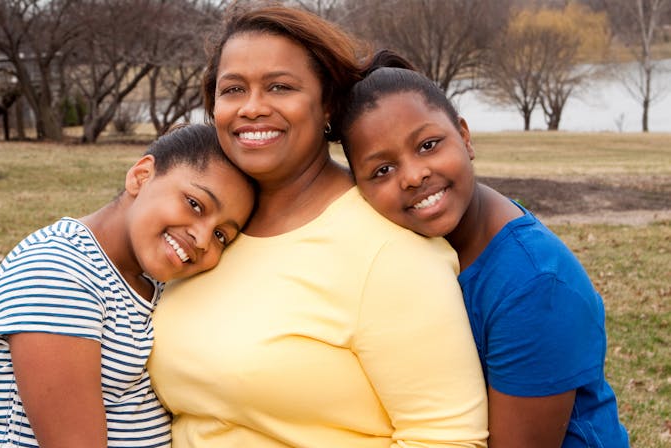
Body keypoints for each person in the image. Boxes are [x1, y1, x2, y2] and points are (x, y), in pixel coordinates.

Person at [147, 5, 488, 448]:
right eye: (233, 89)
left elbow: (448, 438)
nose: (252, 108)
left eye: (280, 87)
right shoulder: (208, 230)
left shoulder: (388, 253)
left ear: (327, 102)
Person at [338, 63, 630, 447]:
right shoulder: (396, 249)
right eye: (383, 169)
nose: (412, 176)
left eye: (428, 145)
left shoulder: (534, 284)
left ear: (464, 136)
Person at [0, 124, 255, 448]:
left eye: (221, 235)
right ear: (141, 177)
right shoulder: (57, 273)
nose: (201, 238)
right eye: (195, 204)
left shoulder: (151, 280)